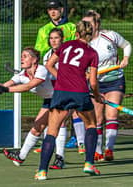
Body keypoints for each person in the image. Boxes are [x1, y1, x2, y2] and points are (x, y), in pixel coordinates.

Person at [35, 20, 103, 180]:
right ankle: (89, 164)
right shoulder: (92, 53)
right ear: (91, 35)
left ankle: (42, 171)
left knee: (52, 131)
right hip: (80, 93)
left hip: (61, 93)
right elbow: (93, 82)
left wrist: (62, 78)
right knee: (91, 125)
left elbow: (49, 65)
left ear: (76, 34)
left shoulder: (64, 46)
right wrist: (97, 95)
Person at [0, 44, 67, 169]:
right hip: (49, 99)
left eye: (25, 56)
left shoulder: (42, 70)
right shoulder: (22, 75)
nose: (21, 59)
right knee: (37, 127)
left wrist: (6, 89)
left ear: (34, 60)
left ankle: (60, 158)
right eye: (21, 56)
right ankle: (21, 156)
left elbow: (29, 86)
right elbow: (5, 85)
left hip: (64, 95)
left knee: (59, 125)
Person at [34, 0, 85, 154]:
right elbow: (39, 50)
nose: (53, 12)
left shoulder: (70, 27)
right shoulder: (44, 30)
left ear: (62, 10)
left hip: (71, 70)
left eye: (55, 9)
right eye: (50, 9)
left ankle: (80, 142)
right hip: (52, 71)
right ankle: (49, 142)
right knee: (54, 109)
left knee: (76, 109)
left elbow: (76, 47)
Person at [82, 10, 132, 162]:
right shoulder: (83, 43)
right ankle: (97, 151)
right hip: (94, 83)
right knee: (96, 118)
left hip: (115, 80)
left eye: (89, 23)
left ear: (96, 24)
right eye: (84, 23)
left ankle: (109, 149)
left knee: (112, 114)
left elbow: (127, 45)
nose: (86, 27)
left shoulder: (110, 35)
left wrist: (125, 58)